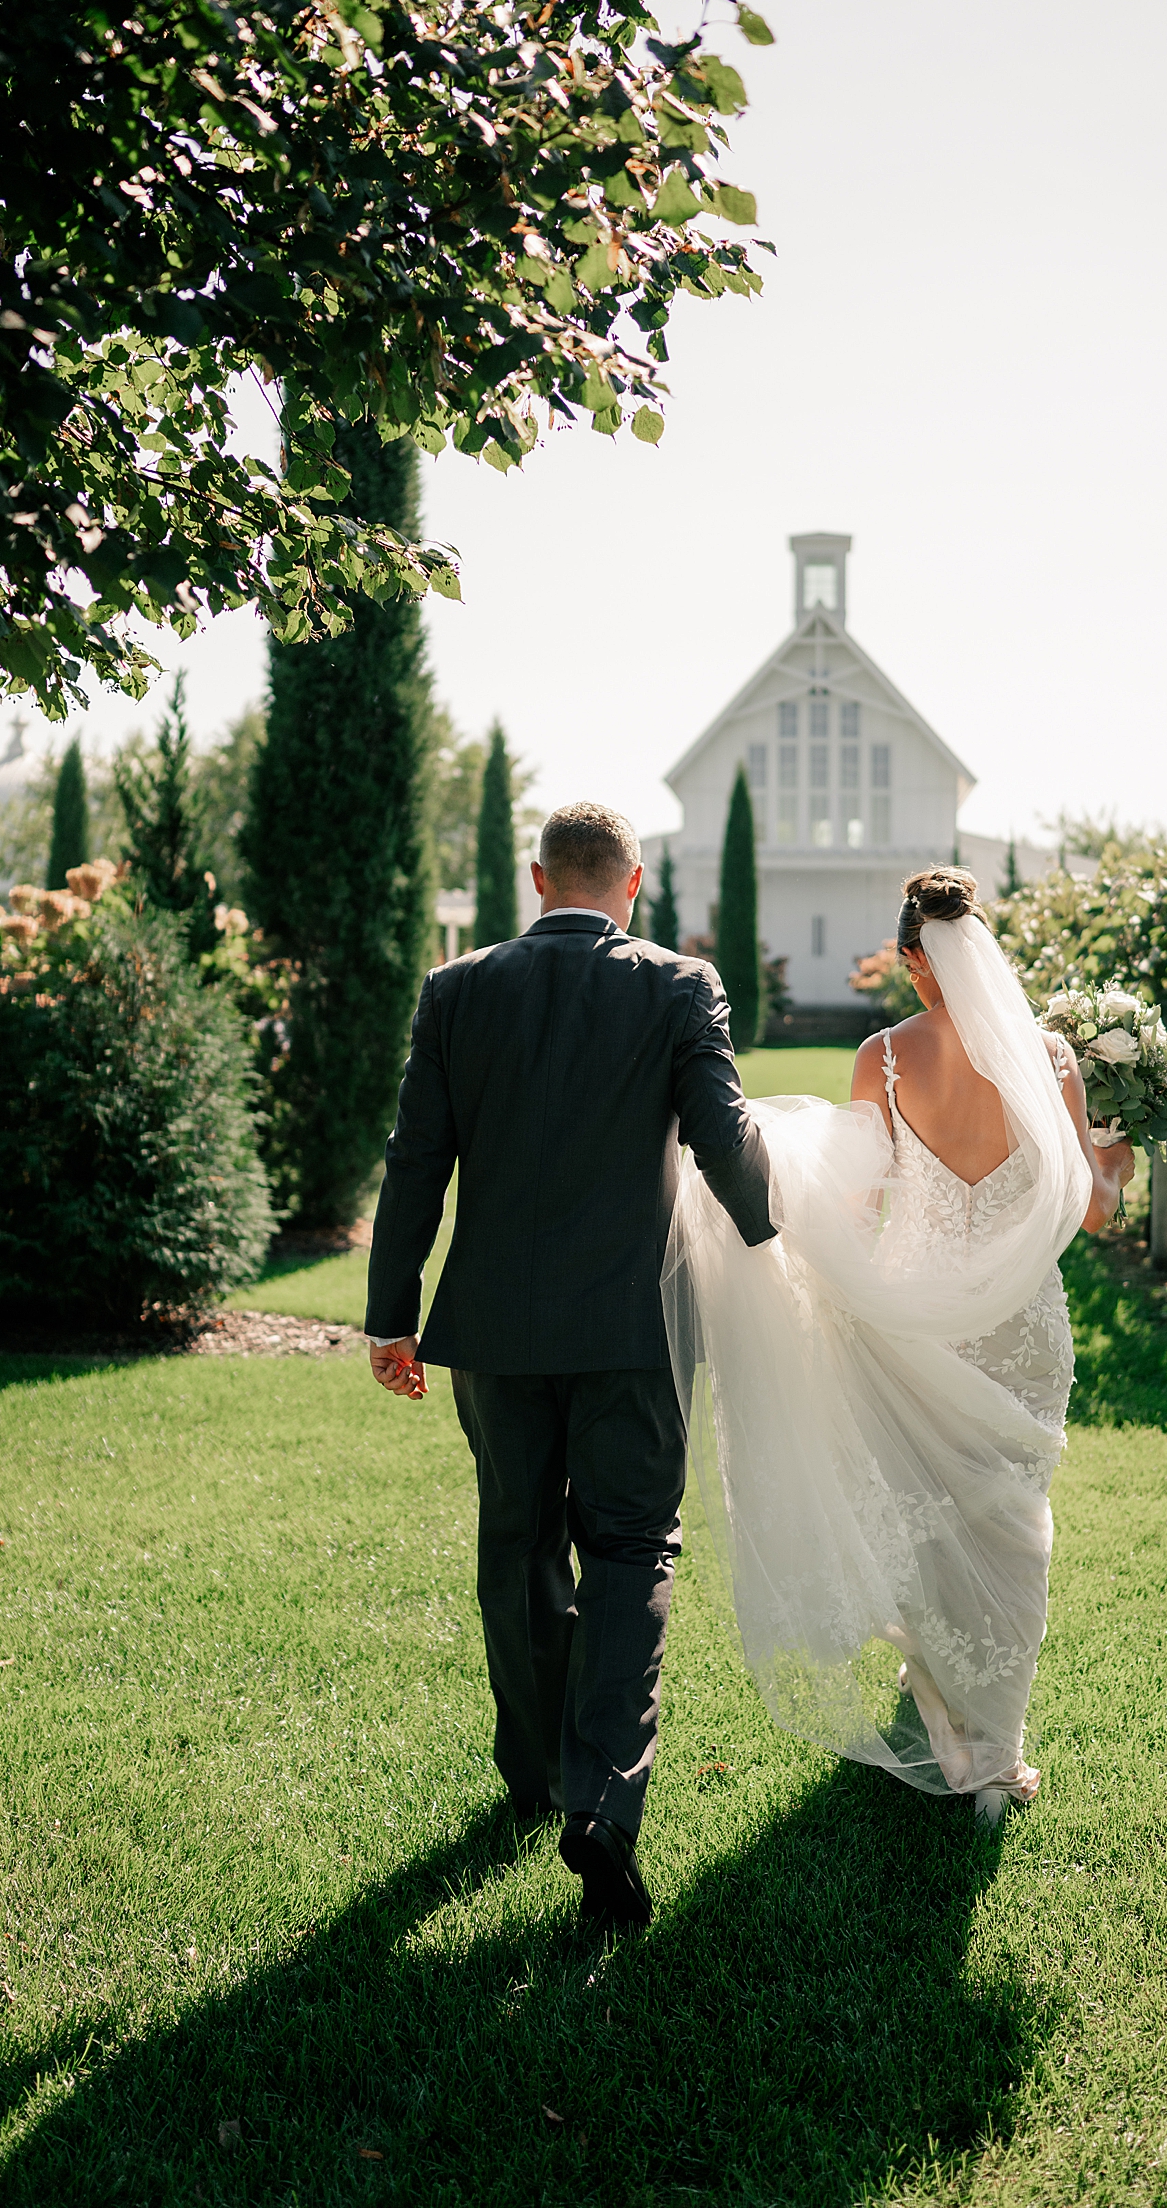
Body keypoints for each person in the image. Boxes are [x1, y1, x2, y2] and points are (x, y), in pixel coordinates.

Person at [365, 801, 775, 1929]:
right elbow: (721, 1135)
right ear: (632, 885)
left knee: (517, 1540)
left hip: (490, 1333)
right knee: (634, 1546)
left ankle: (535, 1778)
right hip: (633, 1333)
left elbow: (415, 1163)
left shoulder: (457, 990)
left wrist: (389, 1315)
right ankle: (602, 1804)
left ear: (539, 880)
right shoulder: (680, 986)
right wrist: (777, 1243)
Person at [662, 866, 1133, 1822]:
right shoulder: (1052, 1061)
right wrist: (1116, 1166)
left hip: (917, 1316)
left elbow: (858, 1207)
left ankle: (949, 1702)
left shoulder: (881, 1056)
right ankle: (994, 1739)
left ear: (916, 960)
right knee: (1013, 1513)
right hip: (1022, 1324)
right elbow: (1092, 1211)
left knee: (924, 1504)